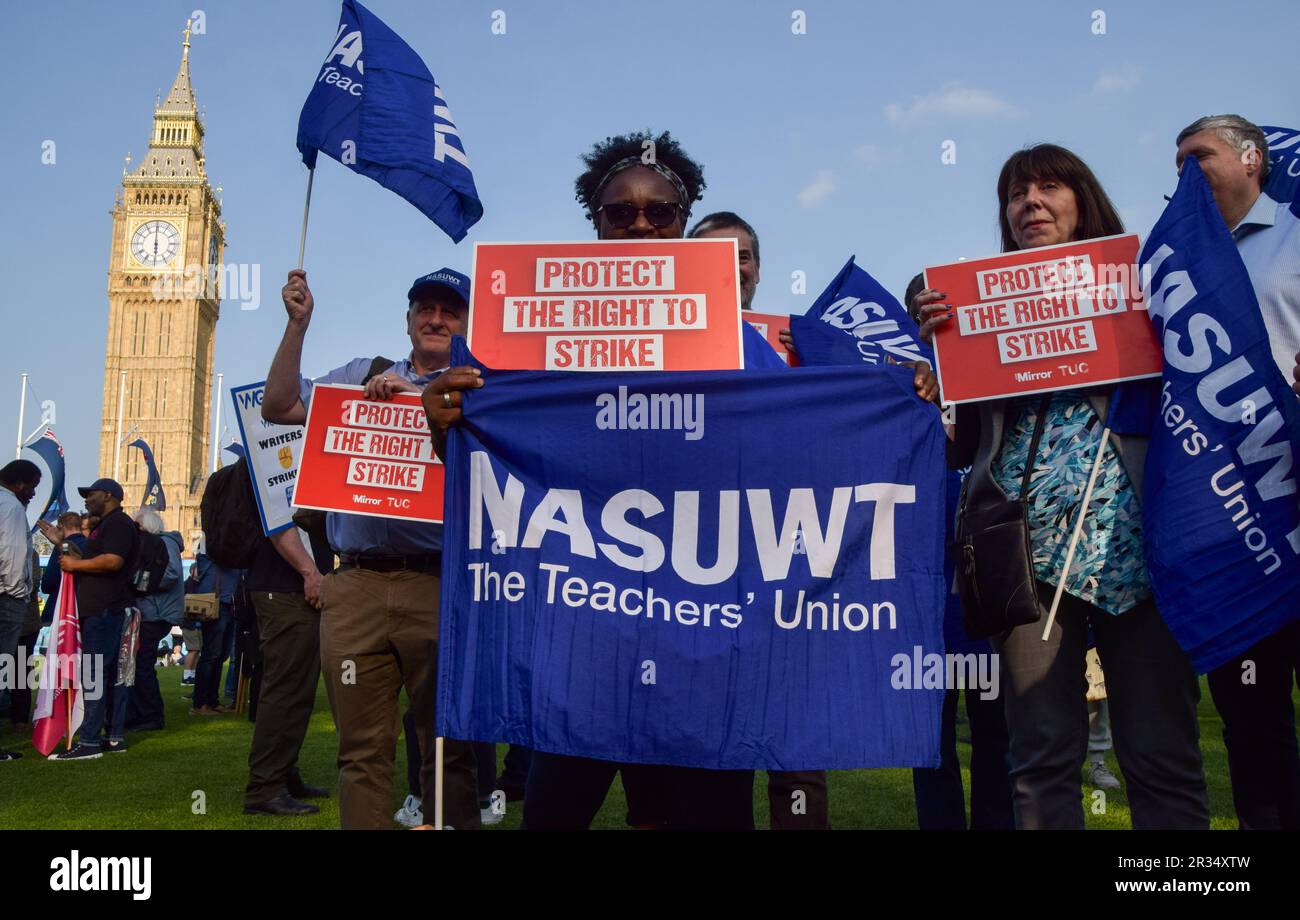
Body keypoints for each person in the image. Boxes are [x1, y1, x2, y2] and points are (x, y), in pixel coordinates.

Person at [920, 144, 1209, 829]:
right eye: (1015, 195)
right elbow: (960, 448)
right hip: (1026, 564)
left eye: (1048, 188)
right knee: (1041, 758)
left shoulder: (1143, 289)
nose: (1029, 204)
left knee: (1160, 754)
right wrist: (945, 358)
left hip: (1141, 554)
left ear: (1083, 200)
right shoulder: (979, 312)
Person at [261, 265, 481, 830]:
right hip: (354, 585)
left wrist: (419, 401)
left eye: (449, 310)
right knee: (361, 751)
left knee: (447, 747)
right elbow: (279, 406)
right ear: (408, 320)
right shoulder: (362, 373)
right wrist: (297, 326)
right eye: (425, 309)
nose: (435, 319)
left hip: (440, 581)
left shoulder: (482, 382)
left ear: (466, 321)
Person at [1175, 114, 1300, 830]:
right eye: (1177, 164)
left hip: (1295, 495)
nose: (1187, 174)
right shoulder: (1175, 269)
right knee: (1252, 727)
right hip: (1229, 526)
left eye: (1200, 156)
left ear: (1253, 160)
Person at [690, 209, 832, 830]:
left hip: (782, 583)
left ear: (757, 270)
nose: (729, 268)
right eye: (711, 257)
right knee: (712, 757)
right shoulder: (651, 353)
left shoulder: (794, 361)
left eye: (740, 256)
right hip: (690, 588)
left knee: (794, 753)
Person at [242, 525, 334, 817]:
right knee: (285, 689)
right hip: (285, 588)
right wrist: (309, 573)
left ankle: (283, 772)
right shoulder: (278, 476)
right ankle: (265, 788)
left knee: (299, 689)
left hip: (289, 587)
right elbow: (277, 522)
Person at [49, 478, 138, 761]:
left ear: (108, 495)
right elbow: (94, 557)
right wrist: (62, 544)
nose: (86, 499)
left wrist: (76, 564)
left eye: (91, 494)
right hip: (102, 609)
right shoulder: (104, 525)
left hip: (104, 608)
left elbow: (113, 561)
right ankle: (112, 737)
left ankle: (89, 741)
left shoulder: (118, 524)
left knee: (95, 674)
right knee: (108, 674)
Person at [125, 508, 184, 731]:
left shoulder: (163, 543)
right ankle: (141, 713)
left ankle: (150, 715)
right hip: (150, 611)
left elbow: (170, 574)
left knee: (142, 664)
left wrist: (141, 584)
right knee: (138, 664)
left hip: (156, 613)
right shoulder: (156, 543)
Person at [0, 460, 40, 761]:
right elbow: (14, 555)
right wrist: (19, 595)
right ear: (20, 484)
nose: (33, 494)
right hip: (6, 599)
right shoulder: (12, 508)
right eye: (32, 487)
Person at [185, 548, 240, 715]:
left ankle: (211, 700)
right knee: (212, 654)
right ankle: (201, 703)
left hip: (229, 602)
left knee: (220, 654)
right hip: (218, 602)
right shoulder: (216, 545)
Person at [38, 511, 86, 622]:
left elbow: (47, 583)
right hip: (84, 611)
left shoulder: (63, 547)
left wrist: (59, 544)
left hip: (60, 610)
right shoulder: (90, 544)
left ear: (61, 526)